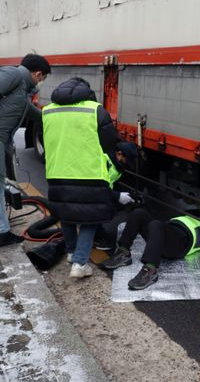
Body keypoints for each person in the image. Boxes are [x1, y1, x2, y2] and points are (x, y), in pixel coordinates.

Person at [42, 76, 128, 278]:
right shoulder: (94, 109)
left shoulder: (48, 110)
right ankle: (80, 263)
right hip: (88, 173)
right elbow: (108, 144)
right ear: (86, 92)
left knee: (66, 214)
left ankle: (72, 253)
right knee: (90, 218)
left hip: (57, 171)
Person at [0, 54, 51, 247]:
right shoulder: (13, 75)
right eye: (42, 78)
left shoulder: (22, 90)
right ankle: (2, 232)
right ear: (38, 74)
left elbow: (31, 112)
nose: (41, 82)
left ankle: (2, 230)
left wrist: (55, 119)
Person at [101, 208, 200, 290]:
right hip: (166, 234)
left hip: (180, 245)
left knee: (156, 224)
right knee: (139, 213)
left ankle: (150, 270)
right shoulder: (188, 216)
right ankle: (123, 252)